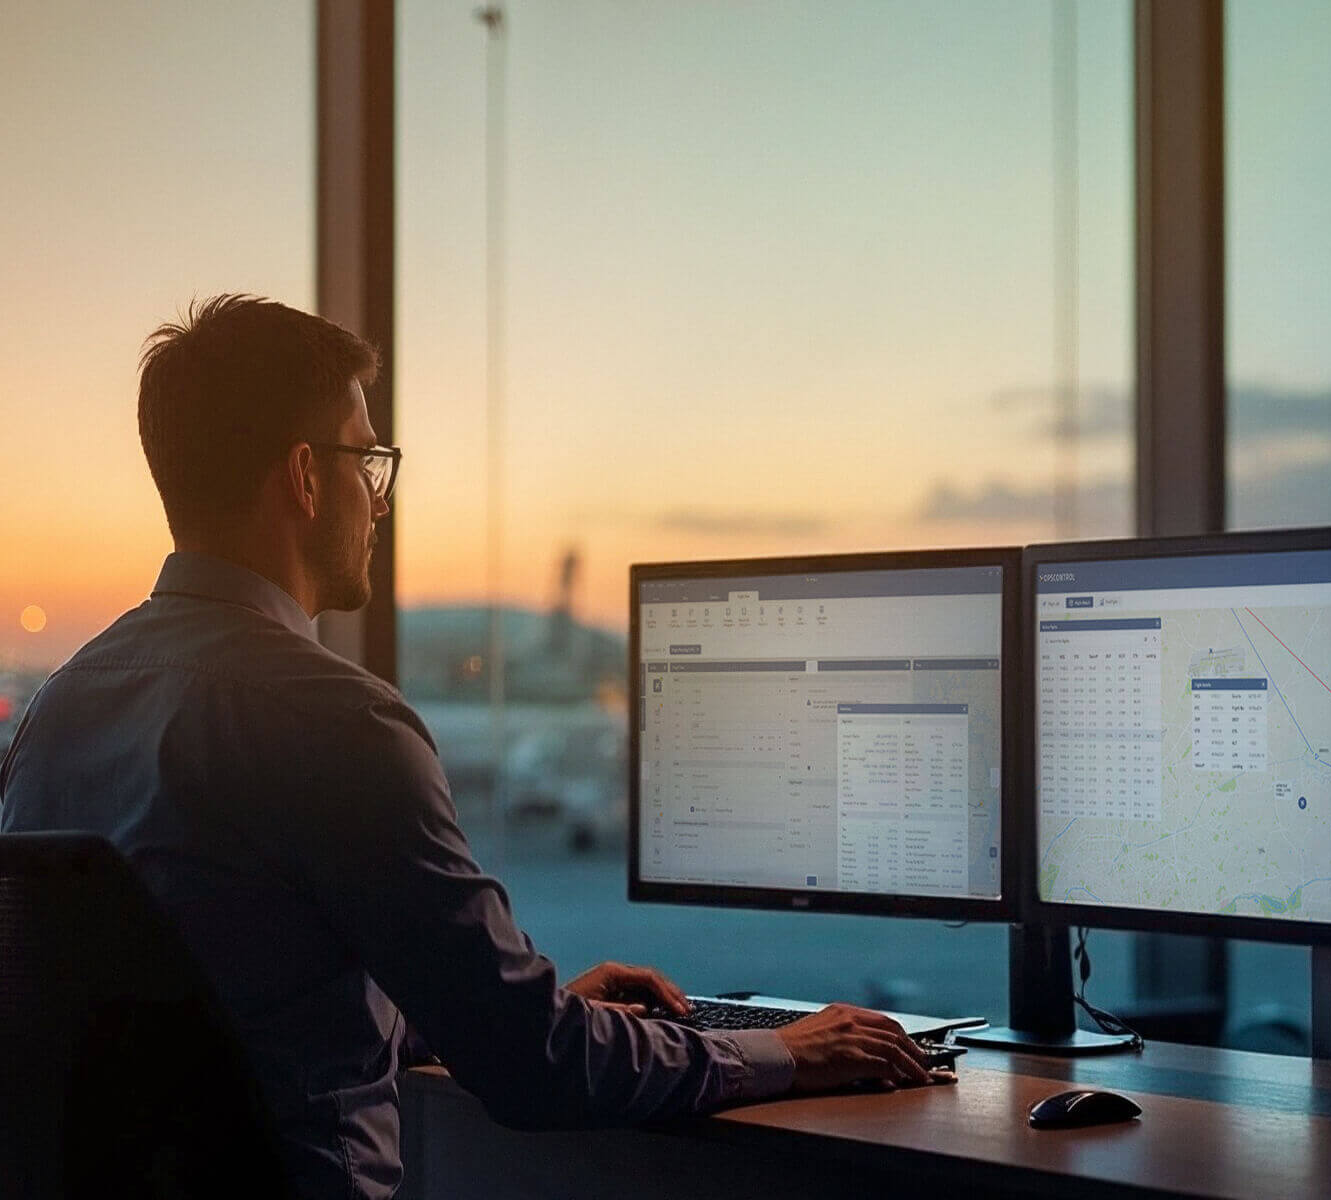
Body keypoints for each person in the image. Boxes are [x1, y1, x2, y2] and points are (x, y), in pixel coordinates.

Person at [0, 296, 936, 1200]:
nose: (381, 502)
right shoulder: (332, 721)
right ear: (305, 476)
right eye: (368, 463)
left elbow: (228, 1013)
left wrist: (511, 1006)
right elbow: (533, 1068)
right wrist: (781, 1050)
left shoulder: (59, 711)